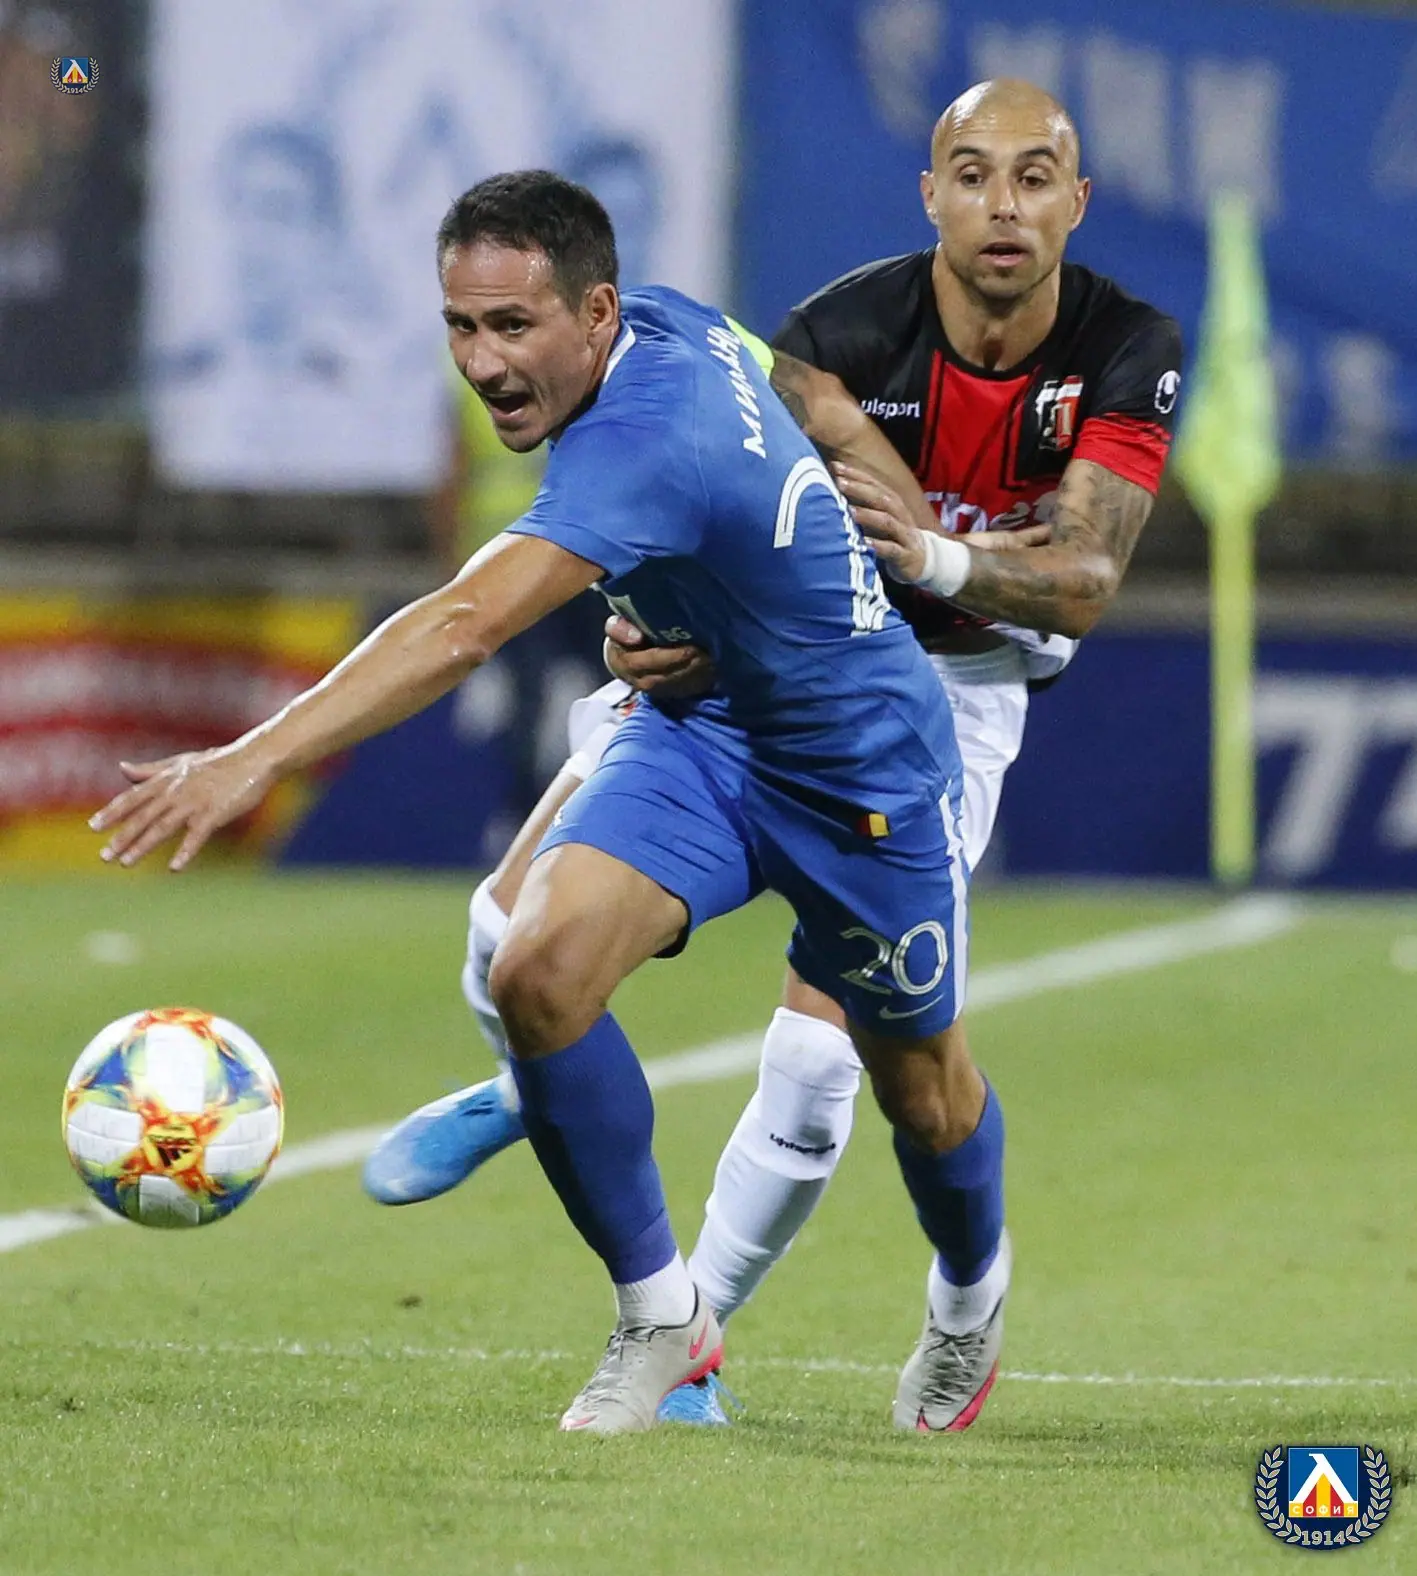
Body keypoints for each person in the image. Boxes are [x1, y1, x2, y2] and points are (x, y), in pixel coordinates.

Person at [92, 168, 1006, 1438]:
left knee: (925, 1094)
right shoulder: (675, 318)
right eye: (461, 326)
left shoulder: (645, 439)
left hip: (863, 770)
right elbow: (804, 394)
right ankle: (662, 1317)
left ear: (594, 313)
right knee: (535, 969)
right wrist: (750, 571)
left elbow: (464, 622)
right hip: (707, 732)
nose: (483, 361)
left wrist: (252, 756)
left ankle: (968, 1301)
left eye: (512, 326)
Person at [362, 79, 1185, 1431]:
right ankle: (554, 1119)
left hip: (940, 697)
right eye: (972, 174)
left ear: (1076, 202)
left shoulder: (1123, 344)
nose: (1001, 205)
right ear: (929, 195)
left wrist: (929, 557)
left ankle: (917, 1308)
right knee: (507, 934)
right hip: (753, 664)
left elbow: (1083, 580)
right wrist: (644, 623)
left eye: (1033, 178)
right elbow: (722, 487)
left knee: (830, 1072)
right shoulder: (838, 332)